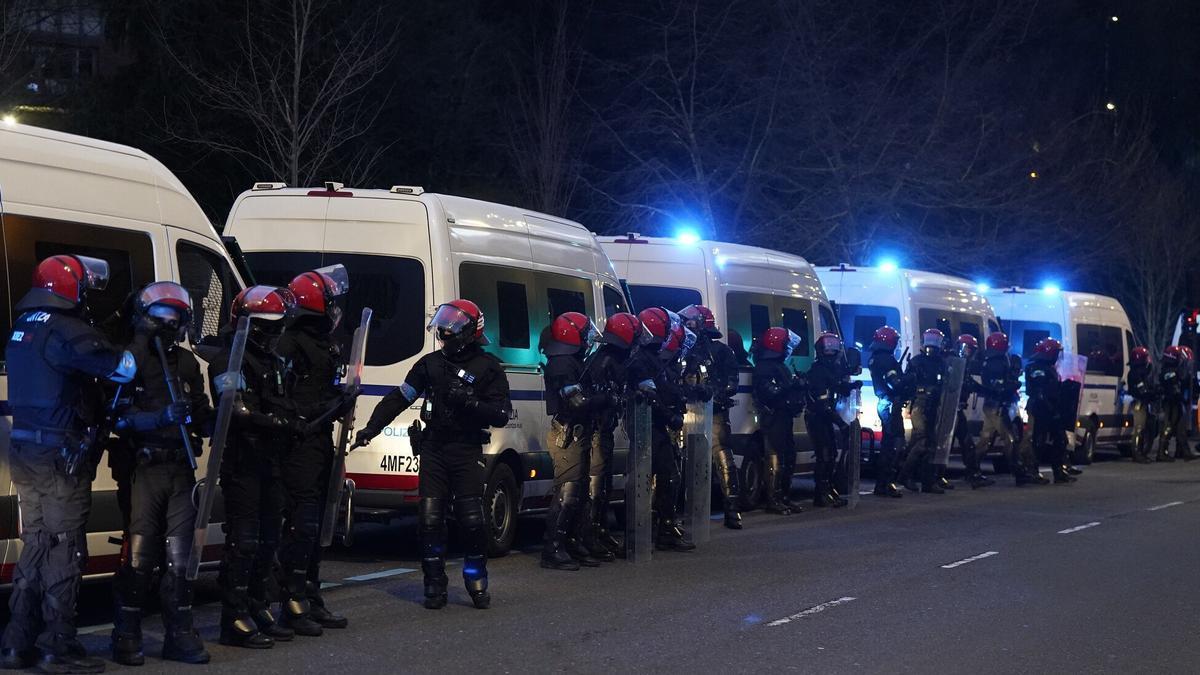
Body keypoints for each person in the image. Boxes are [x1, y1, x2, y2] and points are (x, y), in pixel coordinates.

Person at [2, 255, 139, 674]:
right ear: (69, 288)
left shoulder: (24, 326)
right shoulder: (66, 330)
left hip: (29, 452)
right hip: (61, 456)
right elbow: (123, 368)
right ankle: (55, 646)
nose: (86, 294)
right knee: (65, 550)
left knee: (38, 546)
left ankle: (17, 642)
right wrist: (132, 336)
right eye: (83, 287)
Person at [355, 300, 512, 609]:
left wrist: (469, 403)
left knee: (471, 520)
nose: (444, 332)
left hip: (466, 450)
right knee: (429, 518)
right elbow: (400, 397)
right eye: (443, 324)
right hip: (434, 448)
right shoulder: (430, 364)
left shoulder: (488, 367)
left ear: (469, 331)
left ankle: (476, 578)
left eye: (452, 326)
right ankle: (434, 582)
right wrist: (371, 428)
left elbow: (501, 414)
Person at [109, 282, 212, 666]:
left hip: (179, 467)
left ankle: (180, 633)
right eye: (161, 319)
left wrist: (218, 418)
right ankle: (127, 633)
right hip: (144, 467)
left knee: (180, 557)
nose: (169, 326)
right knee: (139, 557)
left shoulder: (186, 363)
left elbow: (200, 411)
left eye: (176, 319)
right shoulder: (131, 360)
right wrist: (158, 417)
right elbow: (116, 415)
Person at [213, 285, 301, 649]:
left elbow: (283, 402)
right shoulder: (227, 360)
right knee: (244, 541)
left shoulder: (273, 360)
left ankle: (257, 604)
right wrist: (278, 423)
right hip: (242, 461)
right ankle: (232, 616)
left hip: (271, 460)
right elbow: (237, 410)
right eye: (269, 327)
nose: (275, 334)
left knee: (269, 539)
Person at [274, 265, 354, 634]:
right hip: (299, 442)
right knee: (302, 524)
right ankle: (292, 601)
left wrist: (340, 399)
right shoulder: (289, 342)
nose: (336, 308)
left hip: (319, 441)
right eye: (331, 301)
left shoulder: (323, 343)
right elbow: (283, 397)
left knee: (319, 522)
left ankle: (311, 595)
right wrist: (320, 409)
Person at [540, 312, 604, 570]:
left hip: (579, 432)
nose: (588, 338)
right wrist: (602, 400)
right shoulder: (562, 365)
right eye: (585, 332)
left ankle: (572, 541)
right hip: (568, 433)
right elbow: (578, 403)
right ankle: (553, 548)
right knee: (567, 492)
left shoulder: (573, 361)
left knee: (578, 492)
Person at [583, 312, 645, 557]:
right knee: (596, 485)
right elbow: (602, 395)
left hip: (605, 429)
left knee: (605, 484)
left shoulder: (614, 358)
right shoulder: (605, 361)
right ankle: (590, 533)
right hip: (597, 429)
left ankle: (600, 530)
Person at [678, 305, 743, 529]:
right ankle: (676, 512)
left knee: (723, 457)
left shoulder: (722, 352)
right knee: (678, 460)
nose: (687, 325)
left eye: (691, 322)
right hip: (686, 410)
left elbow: (732, 382)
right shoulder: (682, 348)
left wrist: (715, 394)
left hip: (713, 411)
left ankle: (732, 509)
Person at [977, 333, 1044, 485]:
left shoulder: (997, 361)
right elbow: (999, 386)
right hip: (998, 405)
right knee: (1010, 439)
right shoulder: (994, 364)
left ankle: (973, 469)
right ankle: (1019, 472)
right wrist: (1013, 383)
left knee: (986, 440)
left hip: (999, 404)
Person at [752, 327, 805, 514]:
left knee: (788, 456)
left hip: (784, 416)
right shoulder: (764, 368)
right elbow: (770, 393)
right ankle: (773, 499)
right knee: (775, 457)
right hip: (773, 417)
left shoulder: (779, 366)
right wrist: (790, 386)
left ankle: (783, 496)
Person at [805, 332, 855, 508]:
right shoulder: (817, 371)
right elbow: (822, 404)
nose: (831, 352)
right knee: (824, 455)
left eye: (834, 348)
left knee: (831, 454)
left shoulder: (830, 370)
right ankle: (821, 493)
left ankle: (828, 488)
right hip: (817, 417)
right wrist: (840, 423)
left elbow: (836, 386)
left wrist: (850, 386)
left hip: (825, 417)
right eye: (829, 348)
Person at [1018, 338, 1076, 483]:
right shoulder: (1037, 368)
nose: (1057, 356)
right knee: (1038, 441)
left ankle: (1059, 471)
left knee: (1060, 440)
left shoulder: (1050, 368)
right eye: (1056, 353)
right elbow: (1039, 391)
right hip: (1040, 409)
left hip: (1051, 408)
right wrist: (1049, 405)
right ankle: (1032, 471)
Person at [898, 329, 947, 494]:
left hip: (934, 406)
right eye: (930, 340)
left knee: (930, 443)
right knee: (922, 440)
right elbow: (908, 382)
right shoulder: (917, 362)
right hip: (920, 404)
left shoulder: (941, 362)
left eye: (935, 340)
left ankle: (927, 481)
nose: (932, 344)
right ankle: (905, 475)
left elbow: (947, 384)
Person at [867, 326, 906, 498]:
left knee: (889, 443)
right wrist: (908, 378)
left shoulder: (875, 358)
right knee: (892, 444)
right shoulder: (887, 360)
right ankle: (884, 483)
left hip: (884, 403)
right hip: (890, 403)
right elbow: (894, 382)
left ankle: (883, 483)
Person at [954, 335, 994, 489]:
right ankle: (929, 476)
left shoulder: (964, 366)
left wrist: (990, 391)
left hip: (957, 410)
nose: (967, 351)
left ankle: (973, 474)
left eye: (970, 348)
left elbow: (971, 385)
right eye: (966, 348)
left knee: (967, 443)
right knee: (944, 445)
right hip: (949, 411)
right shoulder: (954, 363)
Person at [1156, 345, 1196, 461]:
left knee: (1180, 428)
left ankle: (1183, 451)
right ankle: (1161, 452)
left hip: (1176, 402)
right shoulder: (1169, 372)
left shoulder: (1174, 371)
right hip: (1170, 403)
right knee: (1168, 426)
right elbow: (1173, 385)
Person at [1127, 346, 1158, 463]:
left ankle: (1141, 452)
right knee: (1139, 429)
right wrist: (1152, 393)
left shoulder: (1139, 374)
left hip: (1142, 403)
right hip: (1138, 403)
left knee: (1144, 427)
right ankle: (1137, 453)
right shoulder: (1135, 375)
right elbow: (1142, 391)